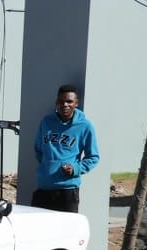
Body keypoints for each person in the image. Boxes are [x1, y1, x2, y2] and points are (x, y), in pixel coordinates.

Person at [32, 84, 100, 213]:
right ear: (56, 102)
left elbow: (93, 157)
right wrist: (47, 167)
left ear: (76, 103)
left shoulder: (85, 126)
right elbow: (38, 150)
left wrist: (75, 169)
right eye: (61, 101)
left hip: (67, 191)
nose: (65, 105)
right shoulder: (46, 122)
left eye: (69, 101)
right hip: (43, 188)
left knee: (67, 226)